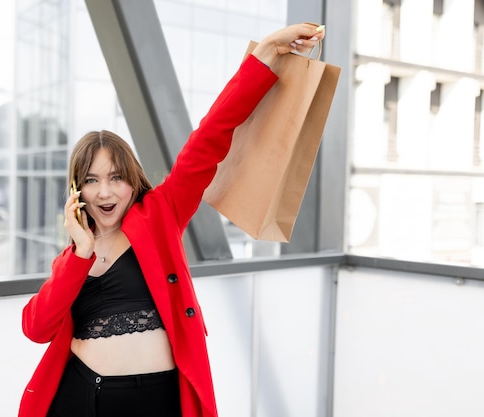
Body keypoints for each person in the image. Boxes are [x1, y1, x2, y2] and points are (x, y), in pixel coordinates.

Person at [18, 22, 326, 417]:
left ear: (132, 180)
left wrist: (265, 52)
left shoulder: (160, 213)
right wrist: (81, 251)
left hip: (158, 400)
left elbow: (211, 136)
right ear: (78, 191)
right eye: (92, 181)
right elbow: (36, 328)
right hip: (82, 399)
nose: (106, 193)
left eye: (116, 178)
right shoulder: (72, 256)